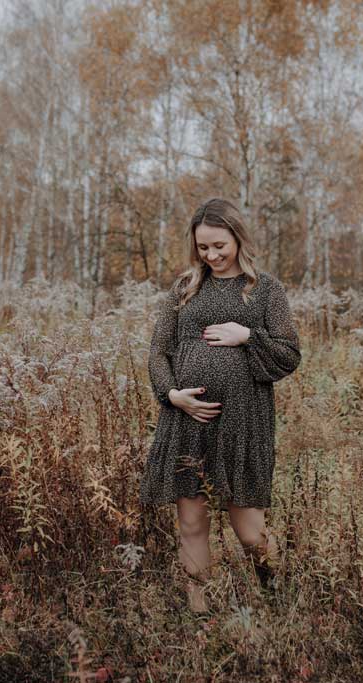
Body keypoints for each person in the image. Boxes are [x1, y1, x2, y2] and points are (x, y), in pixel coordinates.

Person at [139, 197, 302, 614]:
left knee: (249, 532)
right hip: (187, 422)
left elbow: (288, 355)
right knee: (192, 523)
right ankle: (200, 613)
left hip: (244, 424)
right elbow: (159, 352)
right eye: (203, 248)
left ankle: (276, 597)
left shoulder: (265, 290)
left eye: (219, 246)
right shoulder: (184, 288)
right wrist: (172, 395)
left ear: (237, 238)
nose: (211, 255)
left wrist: (247, 335)